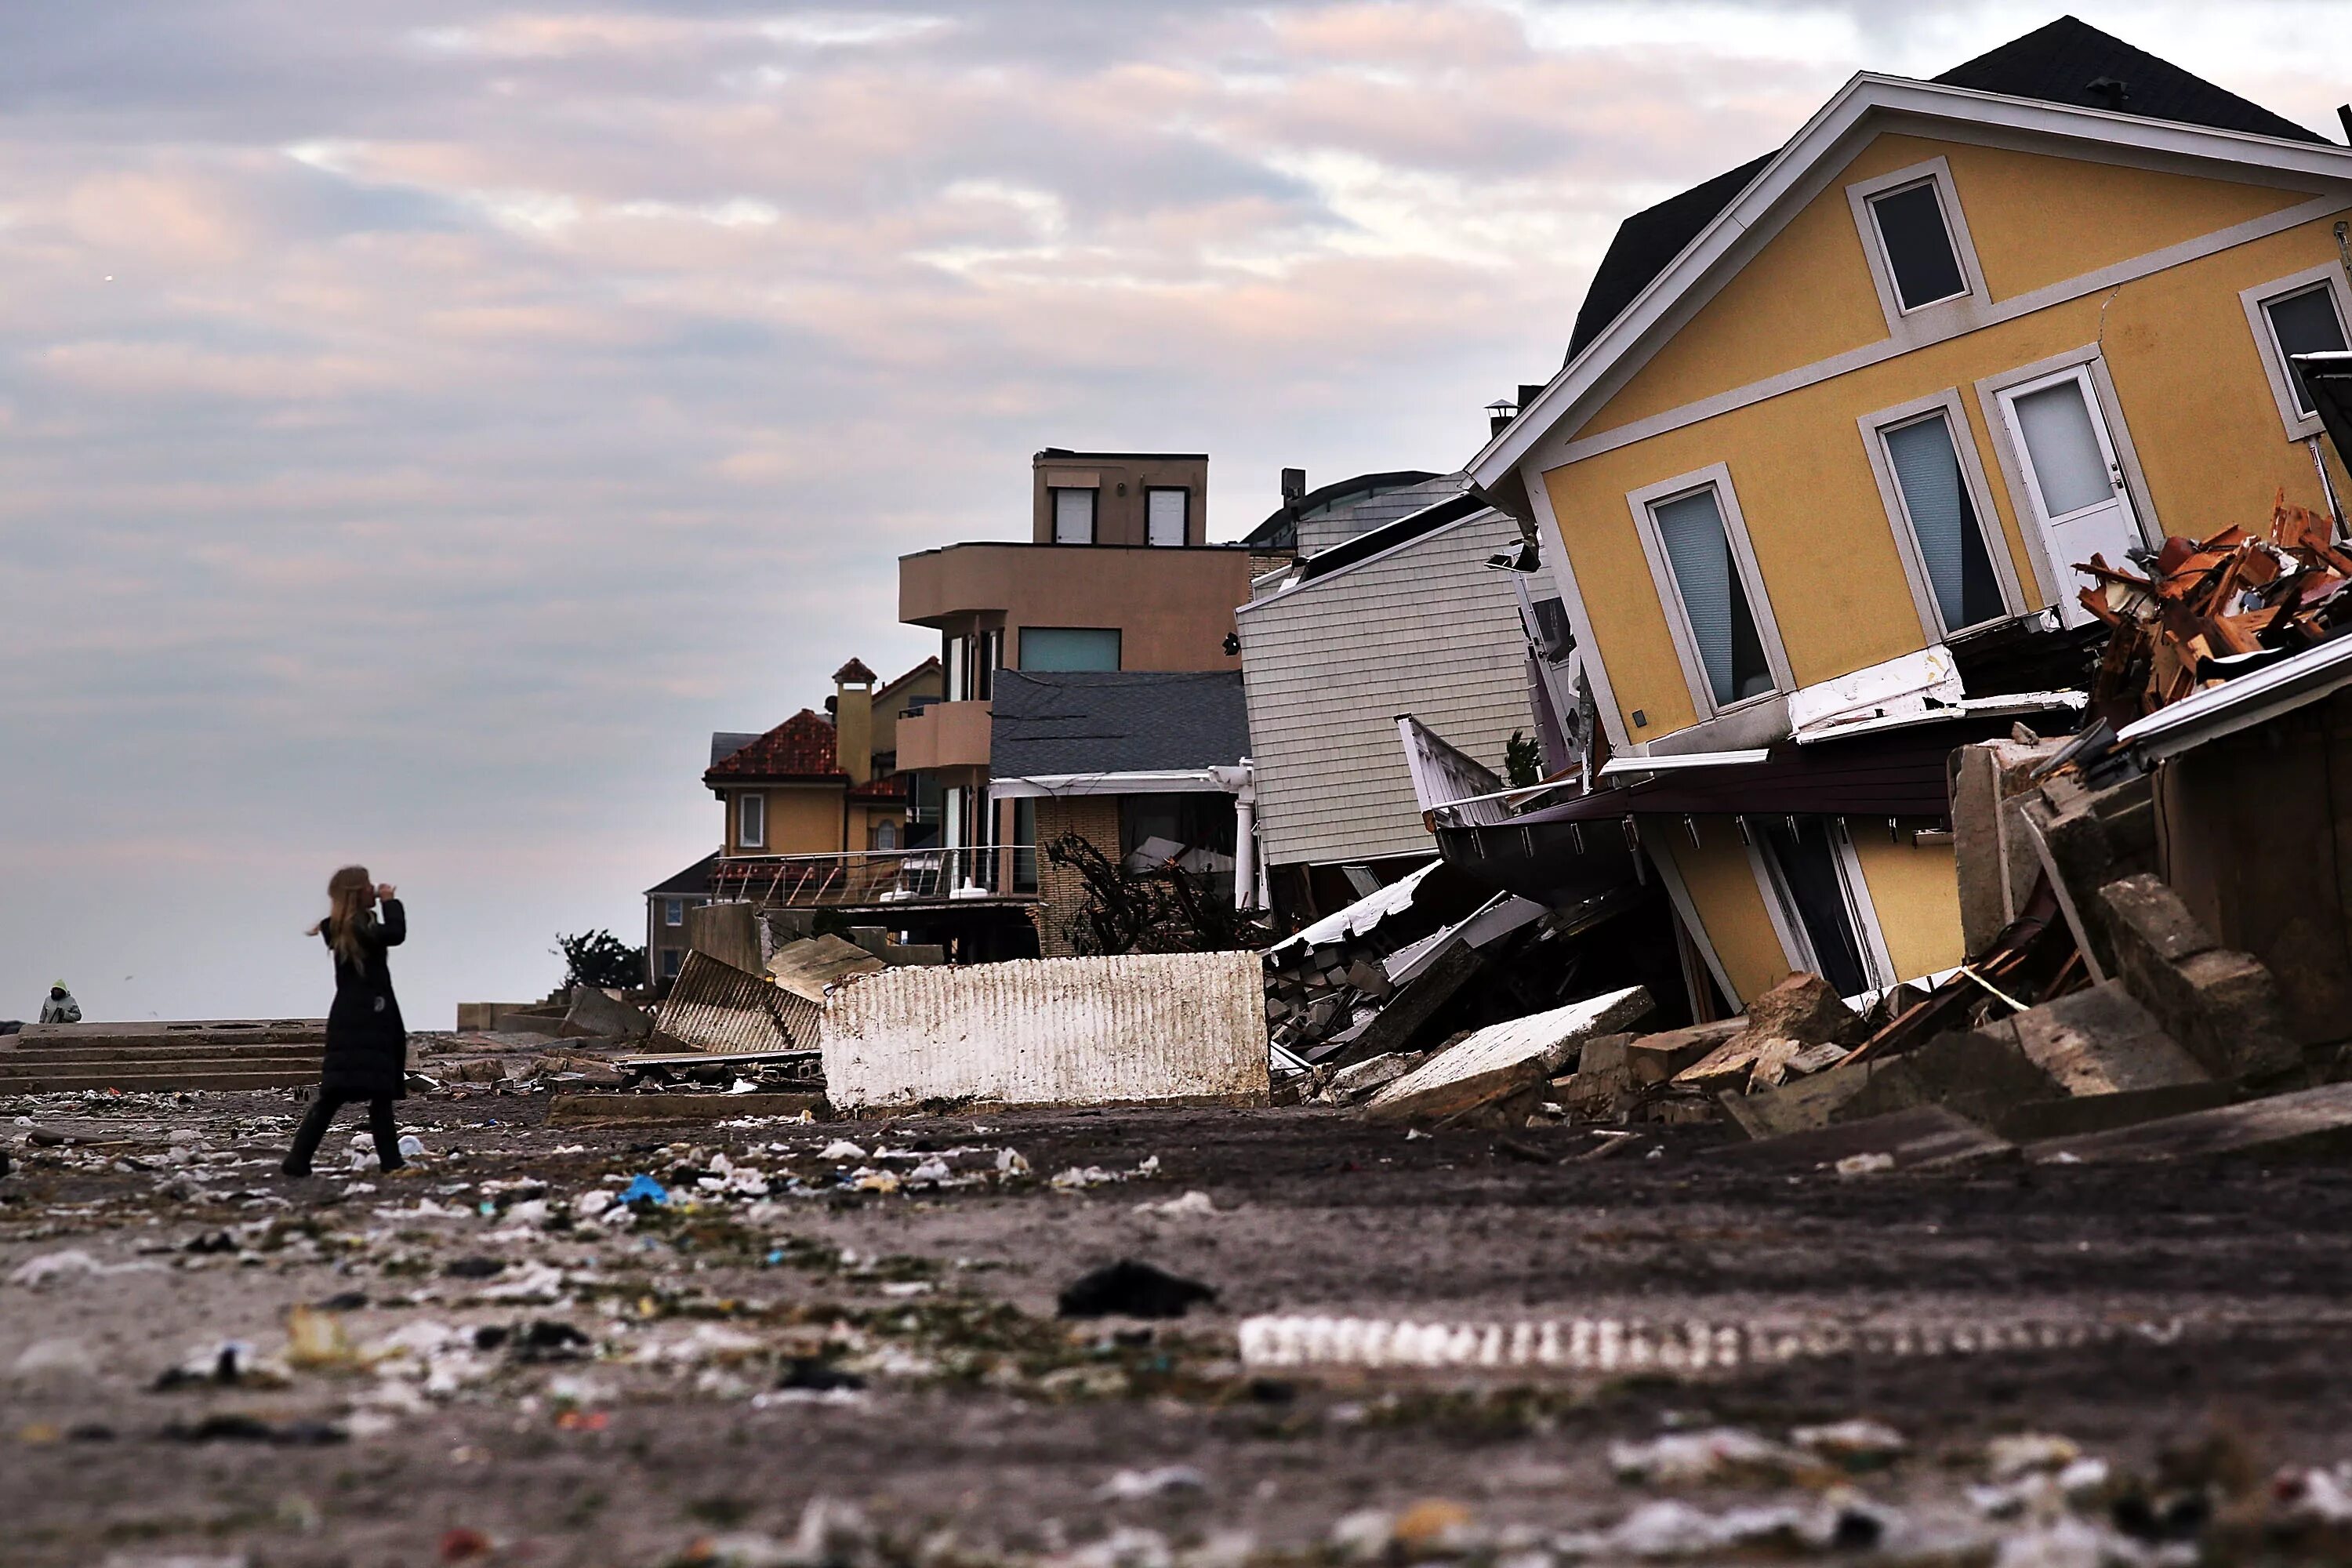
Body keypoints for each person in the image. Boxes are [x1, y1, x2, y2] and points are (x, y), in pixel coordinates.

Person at [281, 867, 410, 1177]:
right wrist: (390, 902)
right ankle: (391, 1163)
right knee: (376, 1094)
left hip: (350, 1018)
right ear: (356, 892)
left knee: (335, 1095)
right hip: (371, 1017)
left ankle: (298, 1160)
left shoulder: (338, 927)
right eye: (367, 886)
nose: (373, 889)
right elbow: (395, 934)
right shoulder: (359, 927)